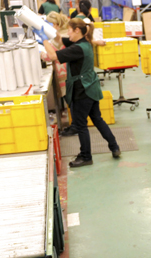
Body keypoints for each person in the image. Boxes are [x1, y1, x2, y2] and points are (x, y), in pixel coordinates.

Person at [39, 18, 121, 167]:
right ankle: (114, 146)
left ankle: (86, 156)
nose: (67, 33)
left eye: (69, 30)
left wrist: (44, 41)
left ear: (77, 30)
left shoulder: (77, 48)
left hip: (82, 90)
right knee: (97, 119)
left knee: (81, 125)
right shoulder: (84, 42)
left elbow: (53, 56)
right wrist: (45, 29)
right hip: (91, 87)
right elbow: (59, 39)